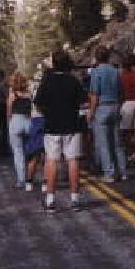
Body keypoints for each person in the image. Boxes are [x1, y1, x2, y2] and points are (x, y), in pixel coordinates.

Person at [34, 49, 87, 212]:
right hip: (72, 124)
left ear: (54, 63)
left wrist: (48, 113)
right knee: (73, 160)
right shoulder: (74, 81)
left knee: (52, 160)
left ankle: (50, 200)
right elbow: (83, 103)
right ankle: (75, 199)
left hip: (52, 125)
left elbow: (38, 103)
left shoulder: (47, 81)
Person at [89, 45, 126, 183]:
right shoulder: (115, 71)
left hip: (102, 107)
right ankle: (122, 171)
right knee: (117, 142)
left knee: (104, 143)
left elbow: (94, 95)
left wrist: (91, 113)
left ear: (97, 58)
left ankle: (109, 173)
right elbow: (121, 91)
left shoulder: (96, 72)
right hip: (115, 105)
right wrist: (119, 105)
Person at [7, 72, 32, 188]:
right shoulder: (29, 94)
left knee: (18, 152)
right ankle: (29, 177)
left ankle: (21, 179)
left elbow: (9, 111)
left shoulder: (12, 95)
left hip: (16, 121)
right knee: (30, 151)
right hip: (28, 121)